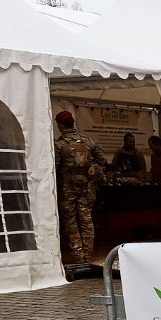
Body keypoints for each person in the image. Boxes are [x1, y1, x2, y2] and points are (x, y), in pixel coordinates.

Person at [54, 110, 106, 263]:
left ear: (60, 125)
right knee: (87, 221)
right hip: (86, 187)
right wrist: (92, 171)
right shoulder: (87, 141)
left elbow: (54, 168)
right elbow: (101, 159)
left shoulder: (59, 145)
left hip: (67, 189)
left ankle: (78, 256)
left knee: (70, 223)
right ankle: (88, 255)